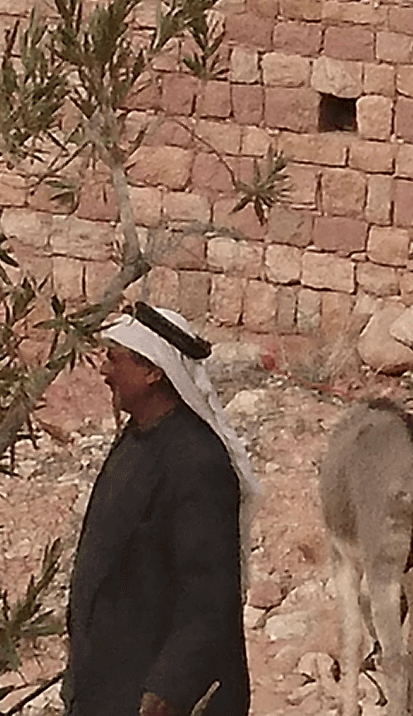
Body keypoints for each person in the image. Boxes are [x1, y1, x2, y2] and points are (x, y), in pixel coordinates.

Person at [65, 303, 261, 716]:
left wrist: (169, 688)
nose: (104, 371)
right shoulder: (137, 439)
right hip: (109, 684)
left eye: (114, 359)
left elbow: (209, 596)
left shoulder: (198, 463)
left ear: (153, 372)